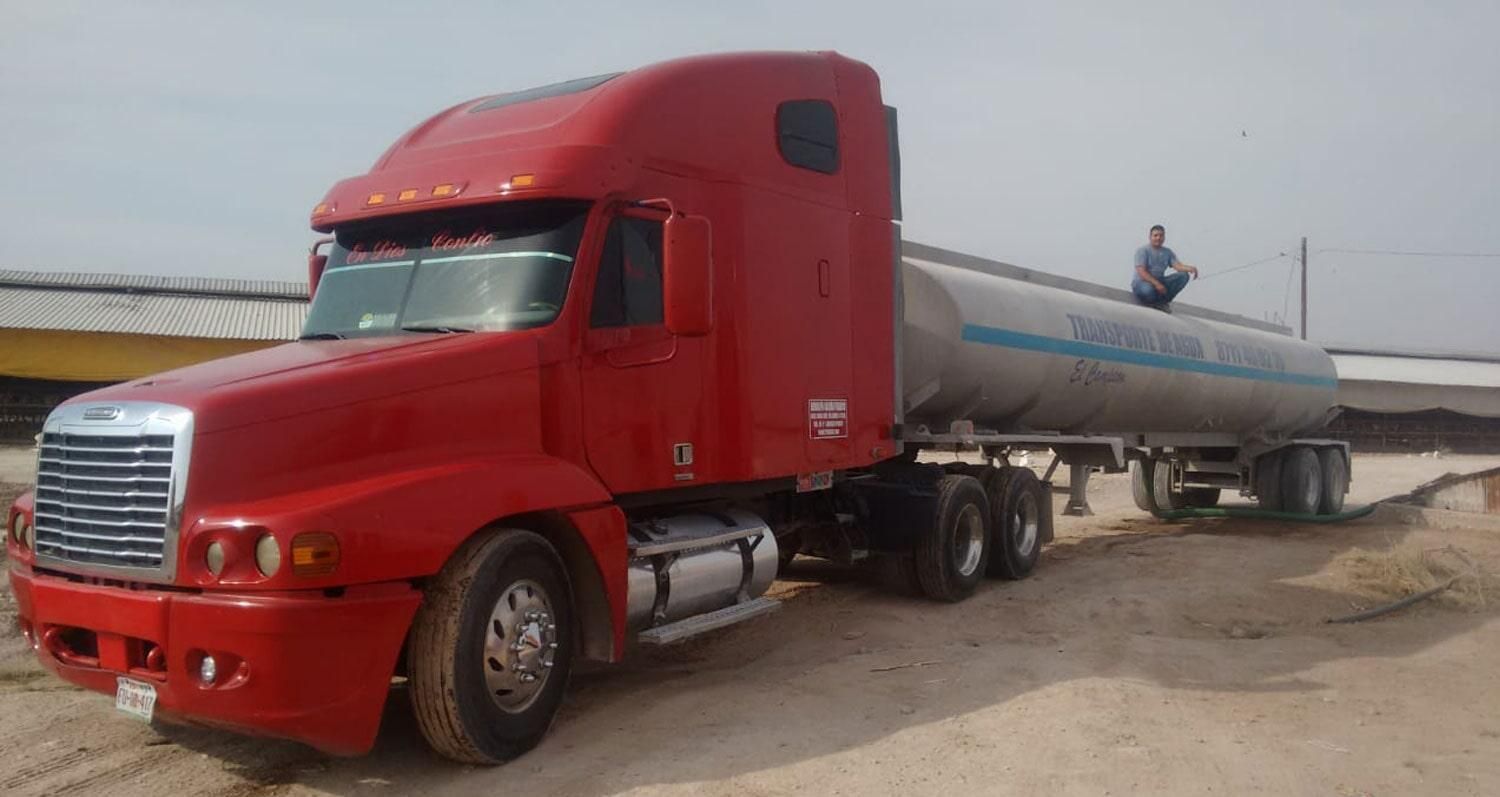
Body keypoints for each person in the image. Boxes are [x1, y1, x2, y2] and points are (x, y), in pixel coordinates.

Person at [1131, 224, 1199, 310]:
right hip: (1143, 283)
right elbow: (1142, 272)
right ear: (1150, 237)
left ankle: (1163, 302)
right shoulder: (1142, 251)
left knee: (1183, 276)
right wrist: (1157, 284)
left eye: (1161, 235)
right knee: (1148, 291)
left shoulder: (1167, 252)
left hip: (1160, 282)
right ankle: (1155, 303)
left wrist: (1191, 268)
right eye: (1155, 235)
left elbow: (1177, 266)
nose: (1158, 238)